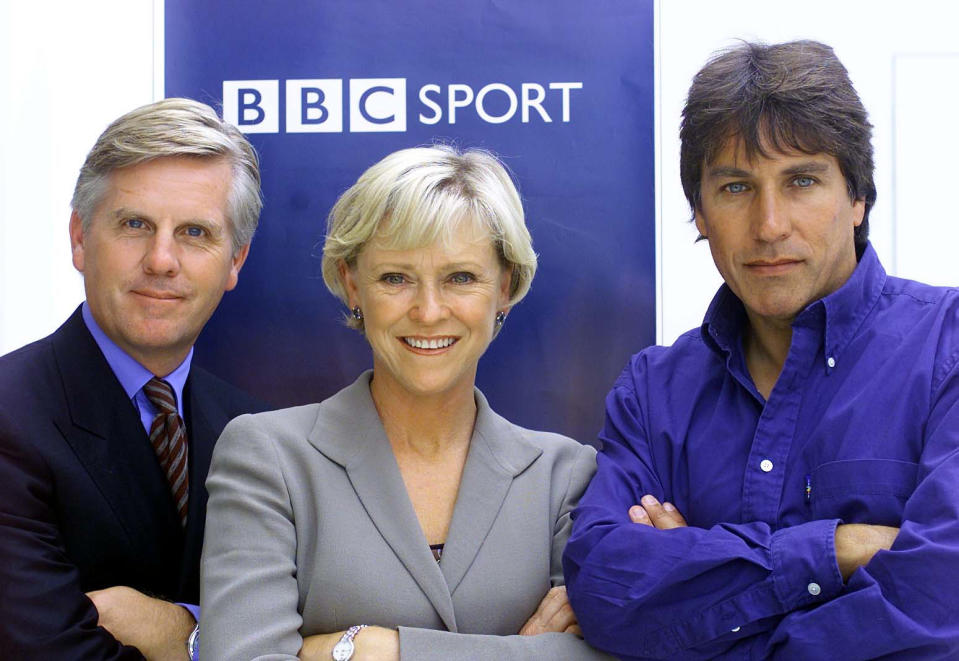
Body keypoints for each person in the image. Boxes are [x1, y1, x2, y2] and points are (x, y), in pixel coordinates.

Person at [563, 40, 959, 659]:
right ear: (698, 212)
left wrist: (705, 601)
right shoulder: (654, 390)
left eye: (801, 180)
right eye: (735, 188)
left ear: (858, 199)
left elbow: (941, 609)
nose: (770, 224)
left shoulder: (948, 349)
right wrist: (839, 550)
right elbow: (606, 589)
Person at [200, 145, 612, 660]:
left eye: (460, 277)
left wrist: (377, 650)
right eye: (396, 278)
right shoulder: (267, 457)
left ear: (504, 287)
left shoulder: (566, 476)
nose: (428, 311)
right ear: (353, 284)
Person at [0, 98, 267, 659]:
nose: (162, 259)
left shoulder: (257, 429)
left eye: (195, 232)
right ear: (79, 237)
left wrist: (186, 635)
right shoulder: (9, 413)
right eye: (135, 224)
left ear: (235, 261)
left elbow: (309, 623)